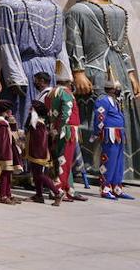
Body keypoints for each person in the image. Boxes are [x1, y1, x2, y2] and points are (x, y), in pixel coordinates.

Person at [65, 0, 140, 180]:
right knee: (95, 120)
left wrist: (130, 72)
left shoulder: (119, 10)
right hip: (94, 73)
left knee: (123, 117)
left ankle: (126, 167)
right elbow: (73, 42)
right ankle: (93, 166)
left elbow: (123, 46)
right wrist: (77, 71)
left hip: (118, 71)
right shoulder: (77, 11)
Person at [0, 0, 68, 129]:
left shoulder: (55, 8)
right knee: (27, 125)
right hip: (25, 74)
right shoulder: (8, 6)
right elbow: (7, 44)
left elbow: (61, 47)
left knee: (54, 125)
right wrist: (15, 77)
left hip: (52, 72)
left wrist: (64, 77)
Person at [47, 71, 85, 202]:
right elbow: (66, 114)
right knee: (64, 161)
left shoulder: (52, 93)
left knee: (60, 160)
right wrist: (59, 129)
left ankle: (67, 188)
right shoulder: (66, 93)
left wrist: (54, 129)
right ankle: (58, 189)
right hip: (66, 131)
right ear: (68, 82)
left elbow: (51, 113)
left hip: (57, 130)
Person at [93, 79, 133, 200]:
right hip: (109, 135)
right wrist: (97, 133)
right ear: (111, 89)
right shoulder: (103, 101)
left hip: (119, 134)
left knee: (119, 163)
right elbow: (100, 118)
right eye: (117, 88)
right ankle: (105, 188)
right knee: (108, 161)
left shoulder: (115, 101)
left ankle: (117, 188)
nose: (119, 90)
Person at [25, 101, 63, 205]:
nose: (29, 111)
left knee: (40, 175)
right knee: (36, 175)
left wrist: (38, 157)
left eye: (31, 110)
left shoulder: (39, 125)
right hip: (33, 153)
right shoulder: (35, 124)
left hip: (38, 154)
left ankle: (57, 193)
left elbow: (40, 143)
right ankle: (39, 195)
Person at [0, 99, 22, 205]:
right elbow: (2, 141)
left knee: (8, 173)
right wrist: (5, 155)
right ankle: (2, 195)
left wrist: (12, 122)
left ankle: (8, 193)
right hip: (5, 152)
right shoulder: (1, 123)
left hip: (9, 151)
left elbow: (13, 135)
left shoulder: (5, 121)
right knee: (5, 173)